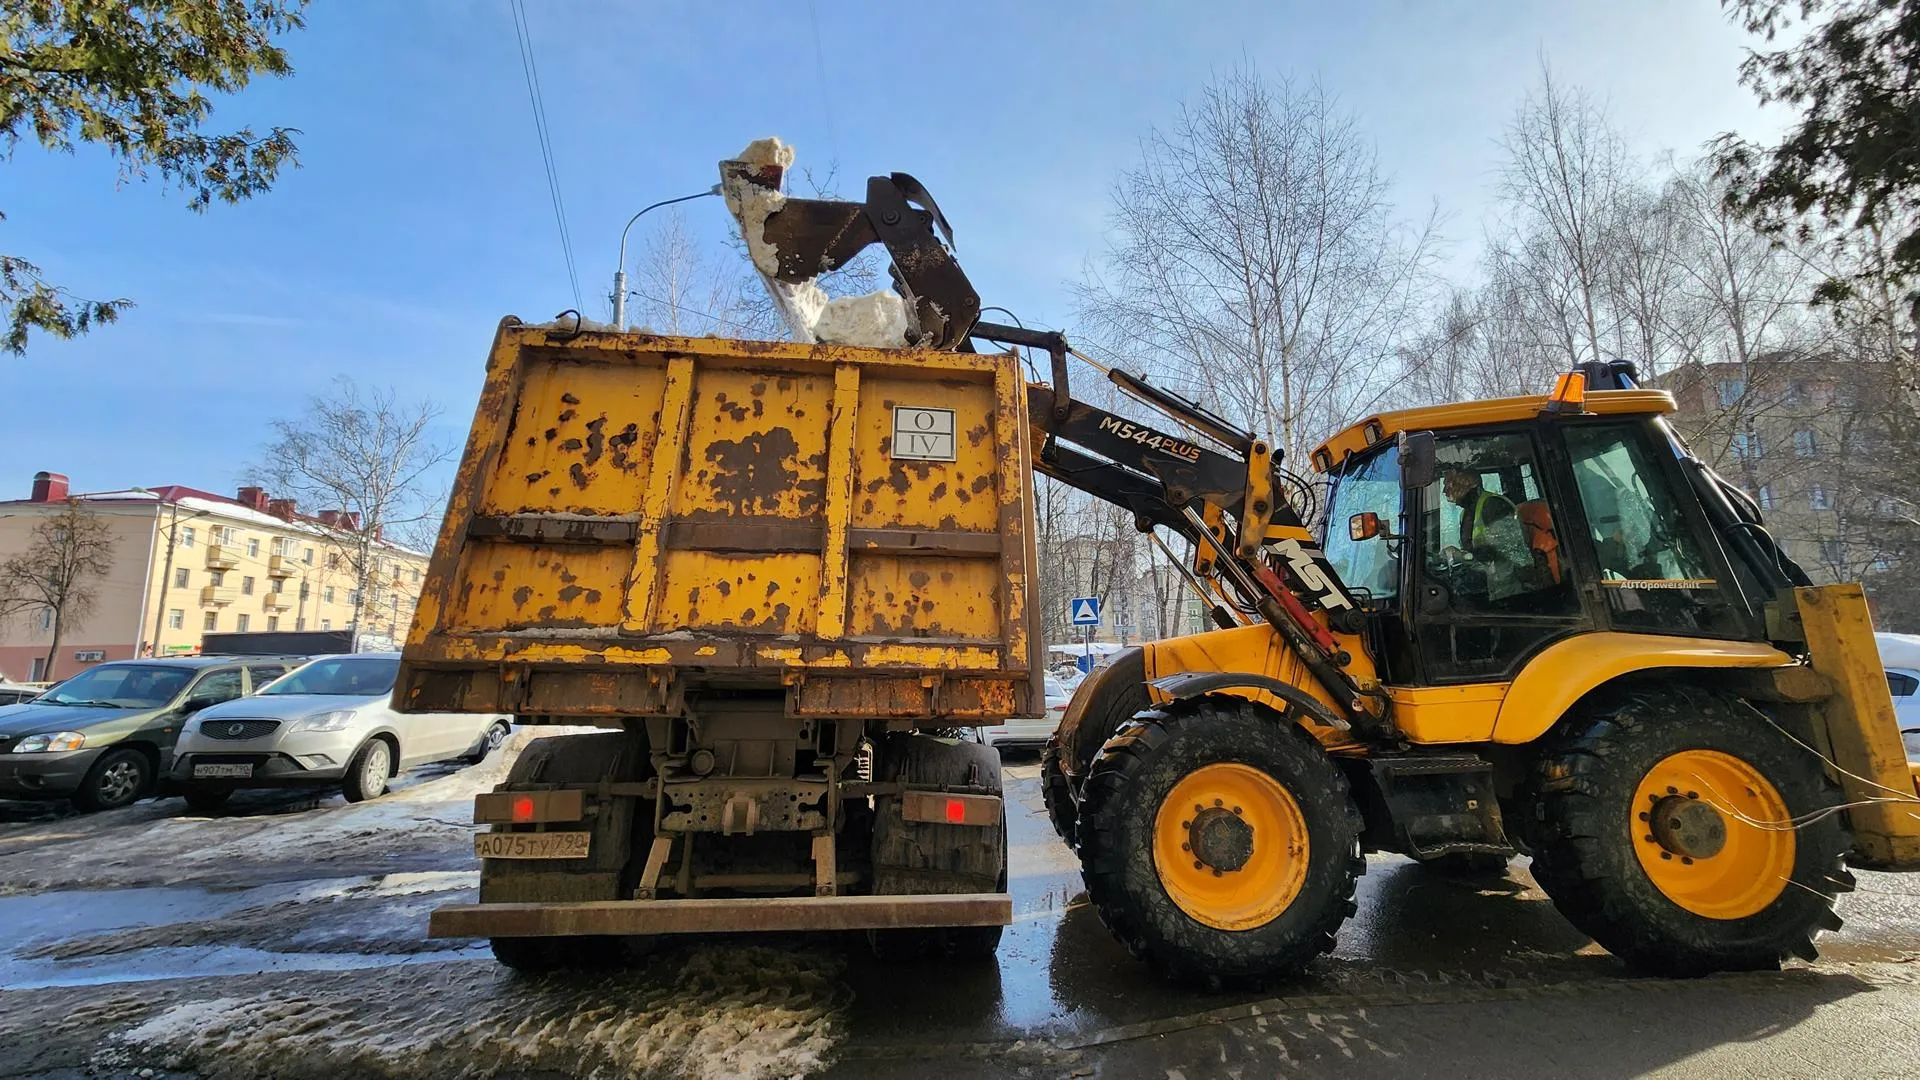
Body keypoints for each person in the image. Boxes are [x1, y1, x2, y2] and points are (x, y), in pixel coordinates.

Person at [1437, 467, 1531, 602]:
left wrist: (1460, 556)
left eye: (1451, 483)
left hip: (1512, 591)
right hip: (1491, 587)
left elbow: (1503, 550)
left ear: (1472, 483)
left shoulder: (1494, 505)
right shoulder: (1467, 513)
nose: (1445, 490)